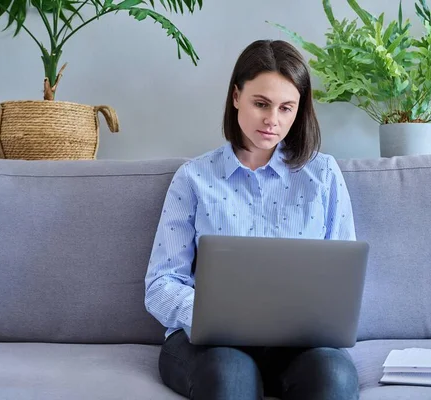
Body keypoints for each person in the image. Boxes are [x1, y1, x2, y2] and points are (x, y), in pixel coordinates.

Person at [145, 39, 359, 400]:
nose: (272, 120)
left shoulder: (323, 174)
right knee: (230, 376)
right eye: (261, 104)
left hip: (298, 347)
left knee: (334, 376)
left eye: (286, 108)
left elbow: (345, 284)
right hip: (210, 345)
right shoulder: (194, 177)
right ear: (235, 97)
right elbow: (160, 285)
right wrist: (214, 317)